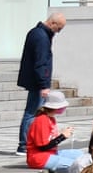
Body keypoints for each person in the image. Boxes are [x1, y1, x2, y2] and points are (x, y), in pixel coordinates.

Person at [17, 12, 65, 156]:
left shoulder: (36, 33)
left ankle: (27, 143)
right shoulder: (41, 37)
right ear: (52, 23)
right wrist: (44, 84)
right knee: (32, 113)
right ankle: (24, 144)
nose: (58, 32)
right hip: (37, 82)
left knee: (32, 112)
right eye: (59, 28)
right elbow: (41, 62)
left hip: (35, 80)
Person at [24, 91, 84, 173]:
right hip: (39, 157)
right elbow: (43, 147)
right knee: (76, 165)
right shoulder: (42, 120)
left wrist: (62, 133)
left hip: (51, 153)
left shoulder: (51, 119)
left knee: (81, 155)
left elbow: (49, 138)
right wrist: (62, 136)